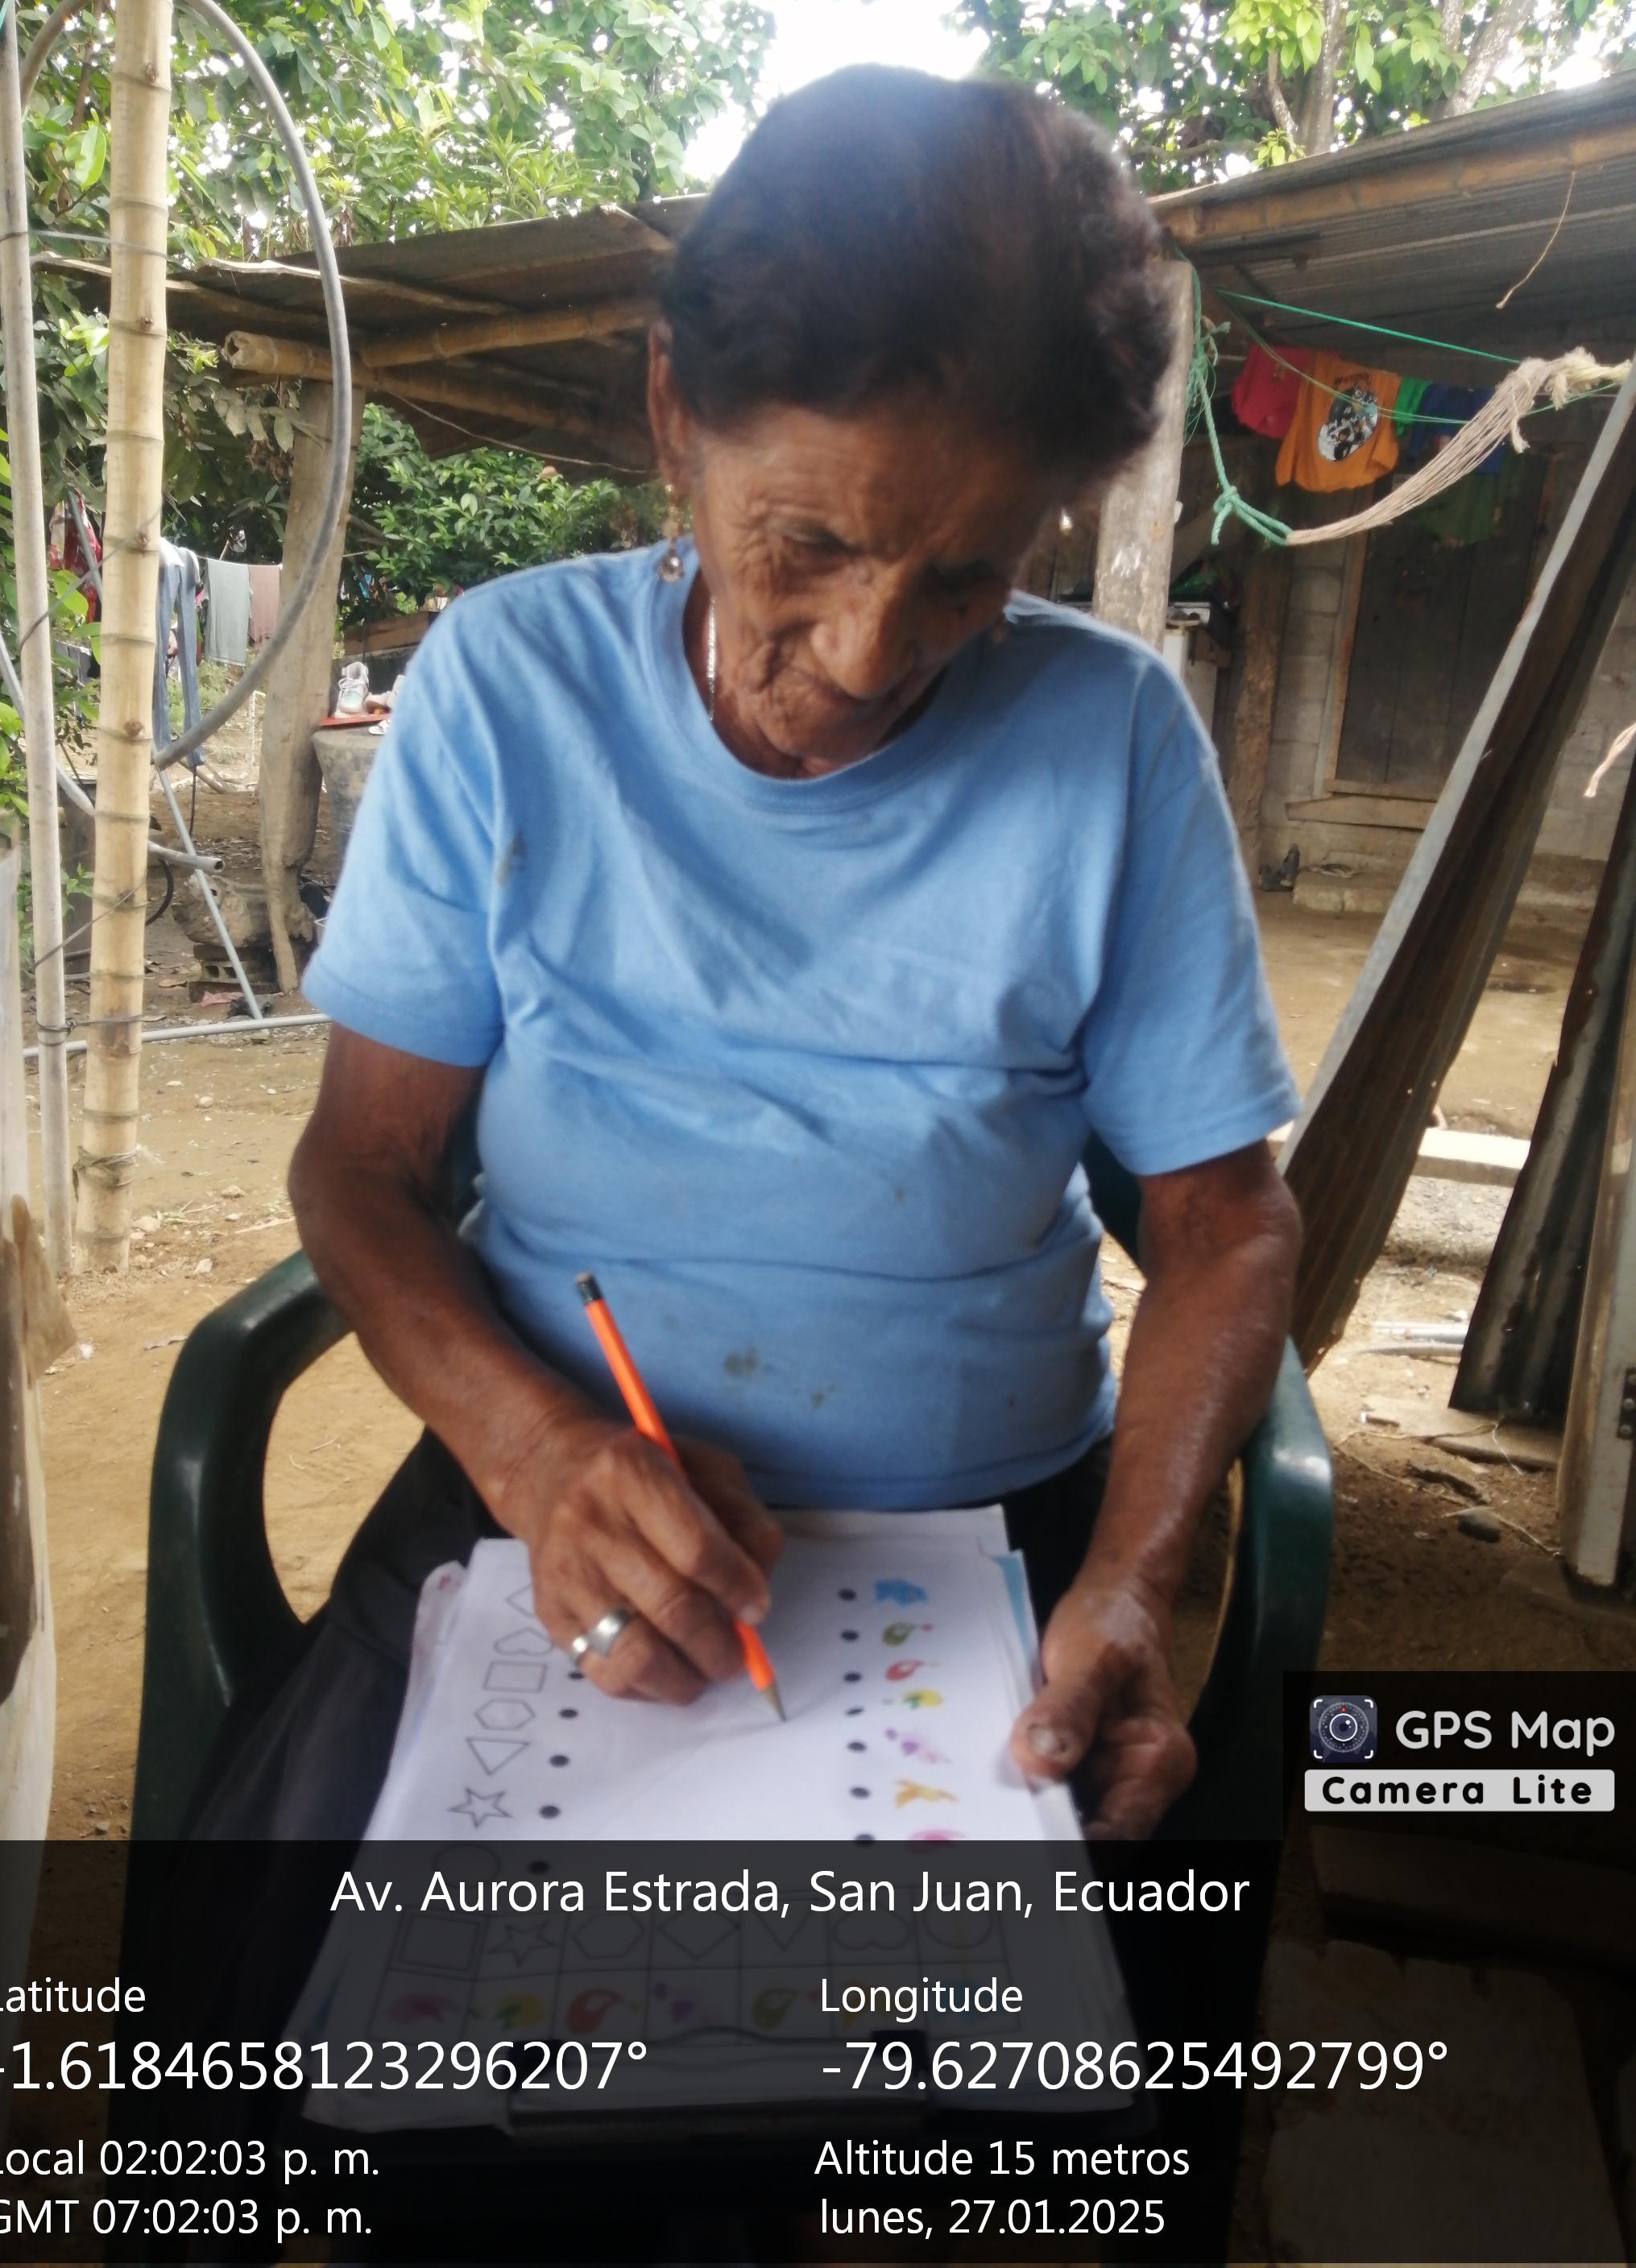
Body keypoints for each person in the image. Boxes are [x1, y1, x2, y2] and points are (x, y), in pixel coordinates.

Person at [188, 64, 1301, 1846]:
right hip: (547, 1500)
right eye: (812, 544)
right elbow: (363, 1171)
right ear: (673, 414)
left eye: (965, 579)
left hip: (987, 1547)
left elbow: (1226, 1225)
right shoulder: (509, 690)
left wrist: (1129, 1580)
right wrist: (535, 1453)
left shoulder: (1113, 741)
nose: (866, 655)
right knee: (315, 1977)